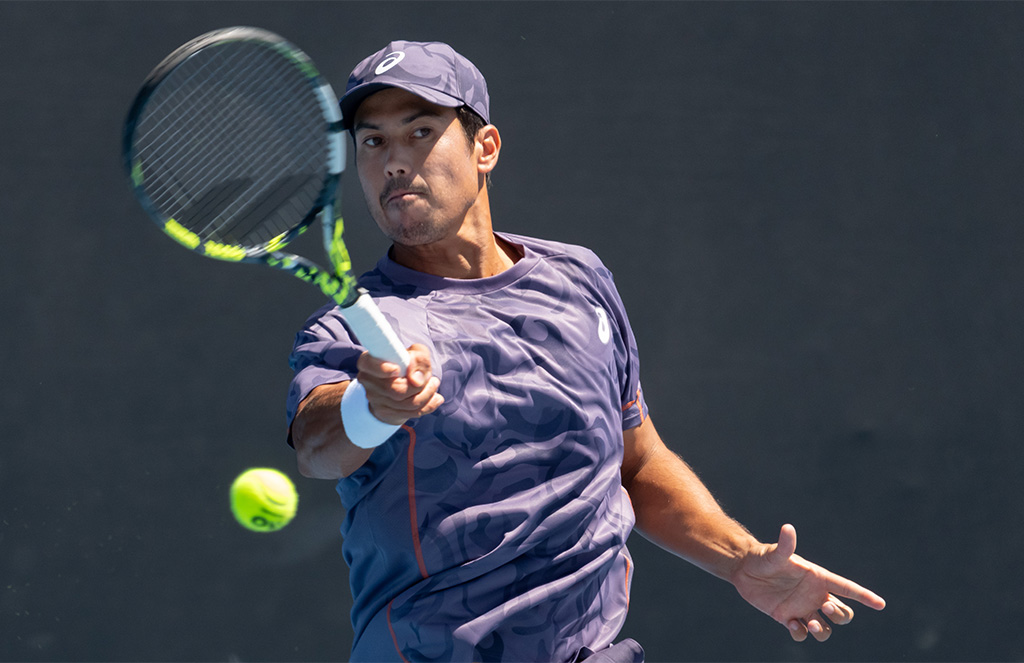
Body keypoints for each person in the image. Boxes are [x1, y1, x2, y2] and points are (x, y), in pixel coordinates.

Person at [286, 40, 885, 663]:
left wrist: (740, 560)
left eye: (419, 133)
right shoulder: (348, 330)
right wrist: (371, 406)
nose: (393, 162)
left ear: (485, 147)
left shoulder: (580, 280)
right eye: (373, 141)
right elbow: (317, 446)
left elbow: (637, 463)